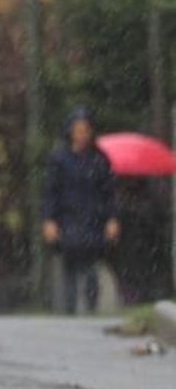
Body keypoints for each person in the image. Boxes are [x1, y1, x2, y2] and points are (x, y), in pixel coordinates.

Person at [42, 107, 119, 315]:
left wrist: (112, 218)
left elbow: (109, 193)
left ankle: (90, 308)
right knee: (69, 267)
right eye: (78, 130)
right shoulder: (59, 160)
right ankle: (69, 309)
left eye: (86, 130)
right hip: (68, 219)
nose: (82, 135)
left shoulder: (100, 160)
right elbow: (51, 191)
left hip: (94, 218)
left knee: (92, 266)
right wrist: (49, 219)